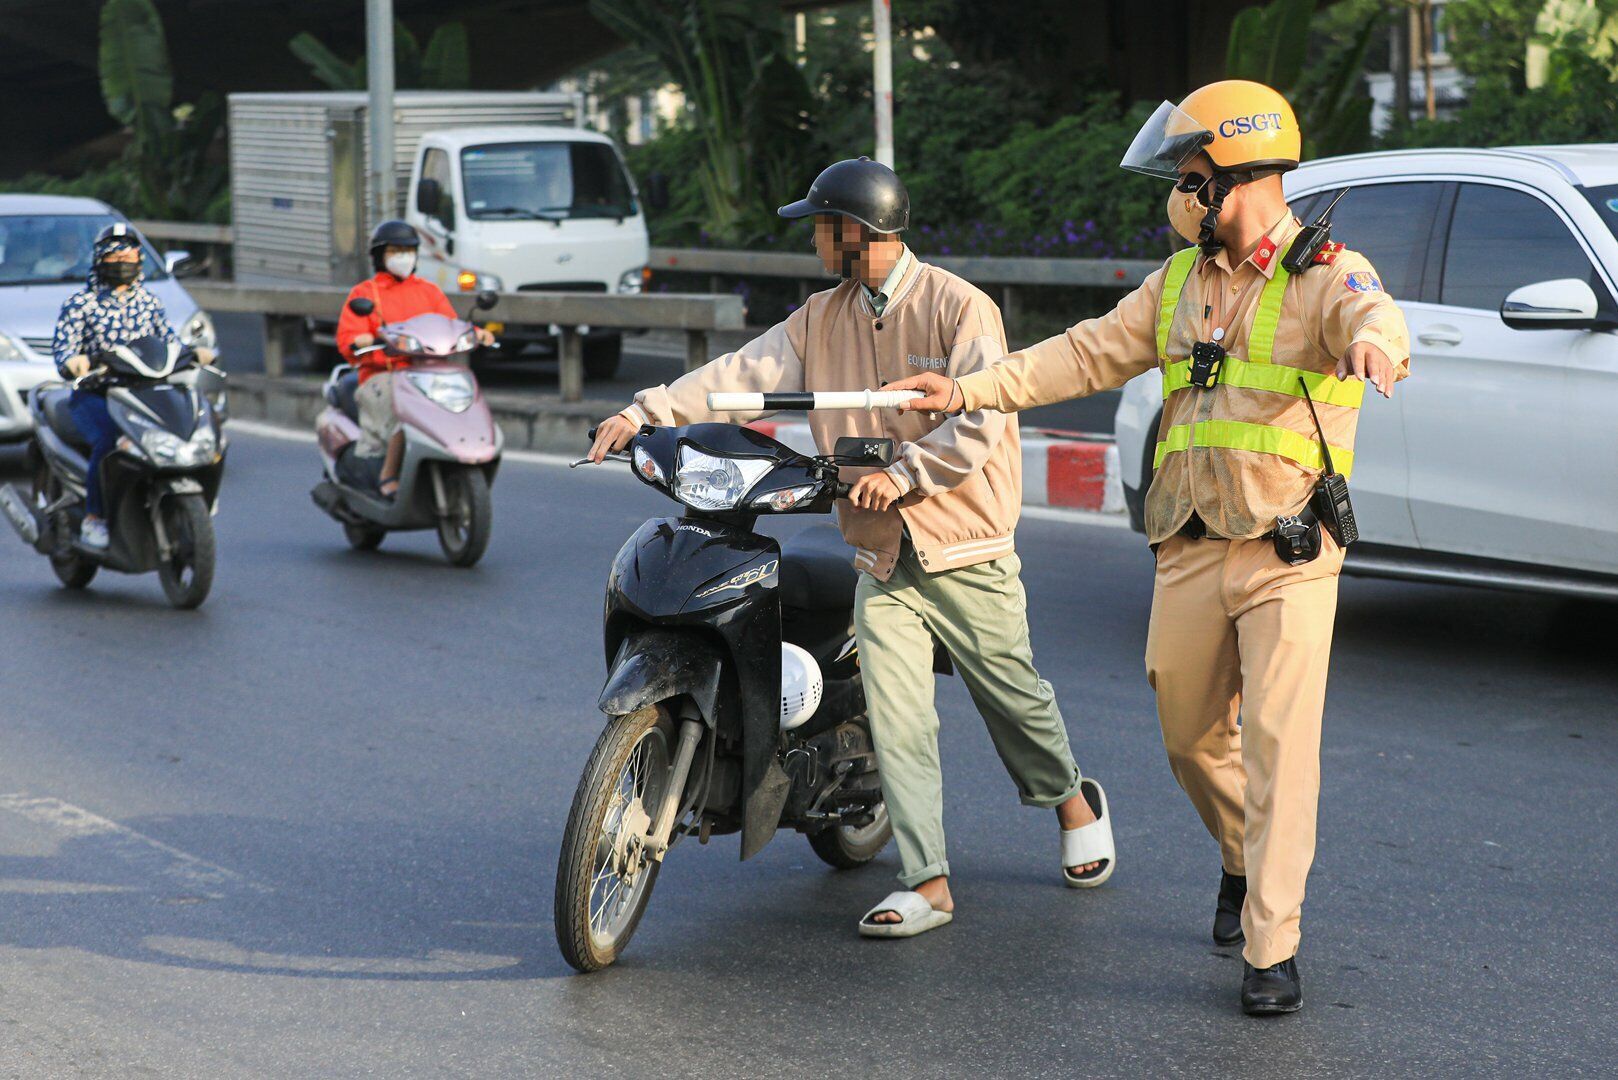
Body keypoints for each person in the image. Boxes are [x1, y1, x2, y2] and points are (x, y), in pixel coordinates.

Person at [885, 80, 1409, 1013]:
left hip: (1288, 551)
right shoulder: (1176, 285)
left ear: (1238, 174)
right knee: (1189, 734)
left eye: (1191, 173)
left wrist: (1377, 347)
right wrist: (967, 390)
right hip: (1191, 542)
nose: (1180, 192)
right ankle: (1240, 854)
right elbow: (1082, 352)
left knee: (1281, 747)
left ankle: (1271, 948)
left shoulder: (1325, 273)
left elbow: (1374, 316)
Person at [588, 157, 1116, 939]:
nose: (813, 240)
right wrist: (645, 412)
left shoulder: (959, 308)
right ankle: (928, 883)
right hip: (880, 554)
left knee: (1012, 700)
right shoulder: (821, 315)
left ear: (856, 233)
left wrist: (906, 474)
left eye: (821, 226)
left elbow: (980, 423)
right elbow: (742, 372)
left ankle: (1073, 802)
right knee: (900, 721)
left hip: (965, 546)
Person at [51, 223, 210, 550]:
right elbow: (64, 349)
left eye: (128, 255)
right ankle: (95, 516)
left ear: (139, 259)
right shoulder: (81, 303)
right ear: (100, 259)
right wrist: (74, 362)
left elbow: (168, 342)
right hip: (97, 395)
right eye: (114, 255)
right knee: (110, 442)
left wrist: (194, 353)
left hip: (144, 394)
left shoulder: (150, 302)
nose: (122, 261)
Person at [335, 220, 493, 497]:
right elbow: (349, 337)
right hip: (383, 375)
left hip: (429, 374)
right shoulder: (365, 293)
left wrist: (476, 333)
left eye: (408, 251)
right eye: (396, 251)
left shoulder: (429, 291)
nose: (403, 257)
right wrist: (362, 339)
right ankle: (387, 474)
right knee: (404, 417)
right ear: (380, 256)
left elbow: (451, 323)